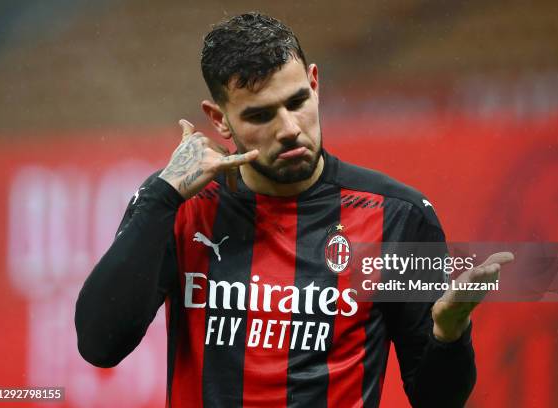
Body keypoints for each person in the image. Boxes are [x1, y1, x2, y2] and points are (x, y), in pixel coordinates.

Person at [75, 12, 513, 408]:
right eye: (261, 115)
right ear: (219, 118)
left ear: (315, 83)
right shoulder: (180, 207)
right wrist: (163, 192)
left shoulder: (398, 216)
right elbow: (99, 345)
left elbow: (437, 400)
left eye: (297, 102)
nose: (288, 129)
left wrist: (449, 333)